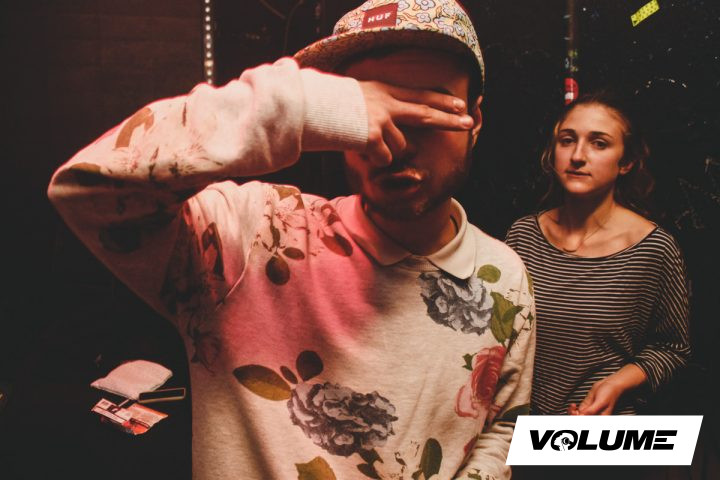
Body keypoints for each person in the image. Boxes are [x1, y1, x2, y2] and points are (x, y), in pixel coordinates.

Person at [48, 1, 535, 478]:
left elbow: (503, 428)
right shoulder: (255, 233)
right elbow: (88, 189)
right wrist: (306, 108)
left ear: (476, 119)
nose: (398, 142)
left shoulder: (503, 276)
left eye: (427, 107)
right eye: (376, 110)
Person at [506, 91, 690, 418]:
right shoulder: (523, 236)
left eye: (599, 143)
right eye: (567, 140)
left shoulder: (653, 248)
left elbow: (672, 348)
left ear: (626, 162)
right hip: (518, 430)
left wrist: (617, 384)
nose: (578, 156)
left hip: (601, 430)